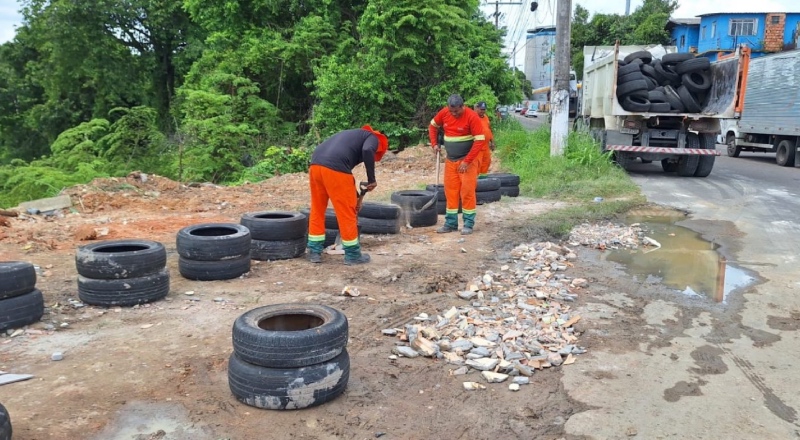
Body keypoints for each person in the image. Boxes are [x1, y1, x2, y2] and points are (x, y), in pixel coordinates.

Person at [306, 125, 388, 265]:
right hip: (335, 168)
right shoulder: (373, 137)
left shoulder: (351, 135)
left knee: (318, 208)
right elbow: (367, 150)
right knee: (346, 212)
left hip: (315, 166)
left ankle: (314, 251)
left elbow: (345, 180)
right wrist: (372, 179)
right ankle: (353, 255)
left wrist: (356, 197)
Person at [428, 94, 487, 235]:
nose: (453, 114)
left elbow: (479, 141)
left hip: (468, 161)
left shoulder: (472, 117)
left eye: (456, 111)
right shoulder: (444, 113)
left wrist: (467, 161)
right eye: (451, 111)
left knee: (467, 192)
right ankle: (450, 223)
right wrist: (434, 144)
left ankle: (468, 223)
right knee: (451, 192)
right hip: (451, 160)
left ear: (463, 106)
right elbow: (432, 126)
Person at [474, 101, 496, 179]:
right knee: (477, 164)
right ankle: (475, 180)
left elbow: (489, 129)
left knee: (487, 161)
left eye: (484, 109)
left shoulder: (486, 117)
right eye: (481, 109)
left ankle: (482, 179)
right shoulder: (473, 117)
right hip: (477, 147)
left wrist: (492, 141)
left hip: (486, 146)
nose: (482, 111)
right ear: (476, 108)